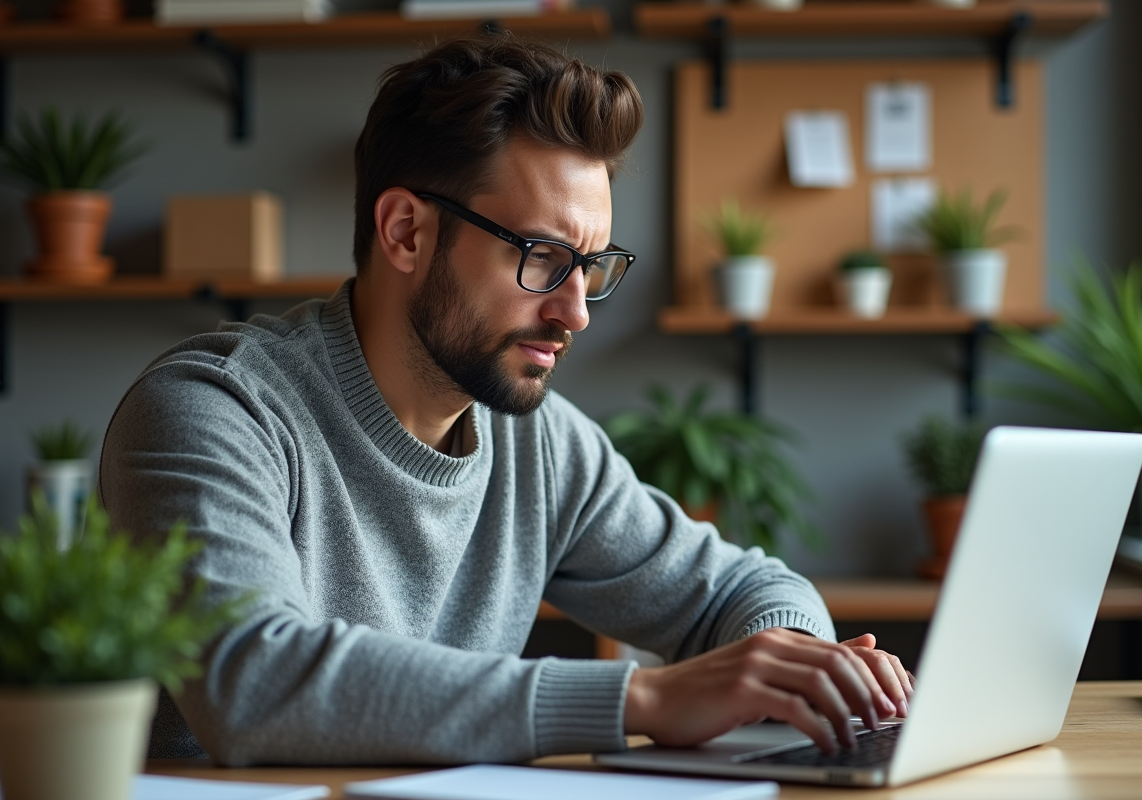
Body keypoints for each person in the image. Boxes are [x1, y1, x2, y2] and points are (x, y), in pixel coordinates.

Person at [99, 33, 913, 767]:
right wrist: (643, 700)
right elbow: (252, 682)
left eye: (590, 267)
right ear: (406, 231)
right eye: (542, 257)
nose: (576, 312)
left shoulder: (542, 447)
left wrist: (795, 665)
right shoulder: (212, 410)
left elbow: (743, 592)